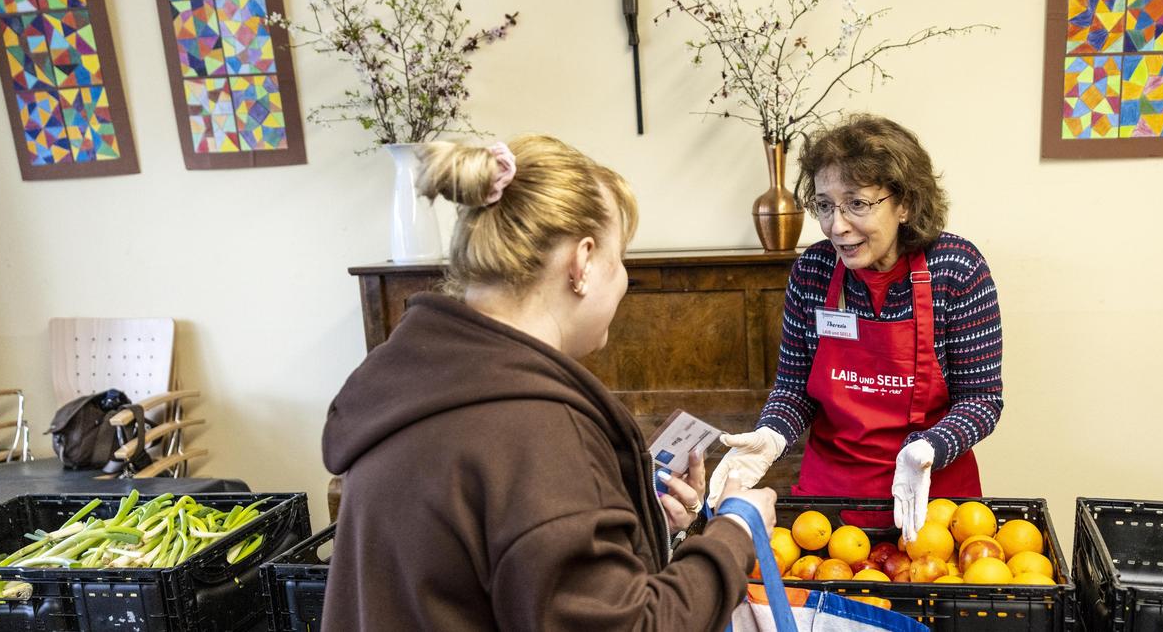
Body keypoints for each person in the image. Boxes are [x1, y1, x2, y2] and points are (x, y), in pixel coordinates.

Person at [322, 135, 777, 630]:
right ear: (581, 262)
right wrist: (736, 534)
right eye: (620, 257)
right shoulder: (537, 430)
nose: (622, 278)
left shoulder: (412, 381)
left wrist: (632, 532)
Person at [707, 114, 1004, 540]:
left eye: (857, 204)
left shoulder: (955, 268)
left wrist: (927, 449)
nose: (836, 225)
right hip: (829, 507)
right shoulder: (813, 271)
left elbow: (982, 399)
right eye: (825, 205)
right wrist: (771, 434)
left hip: (935, 506)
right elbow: (794, 388)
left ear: (904, 203)